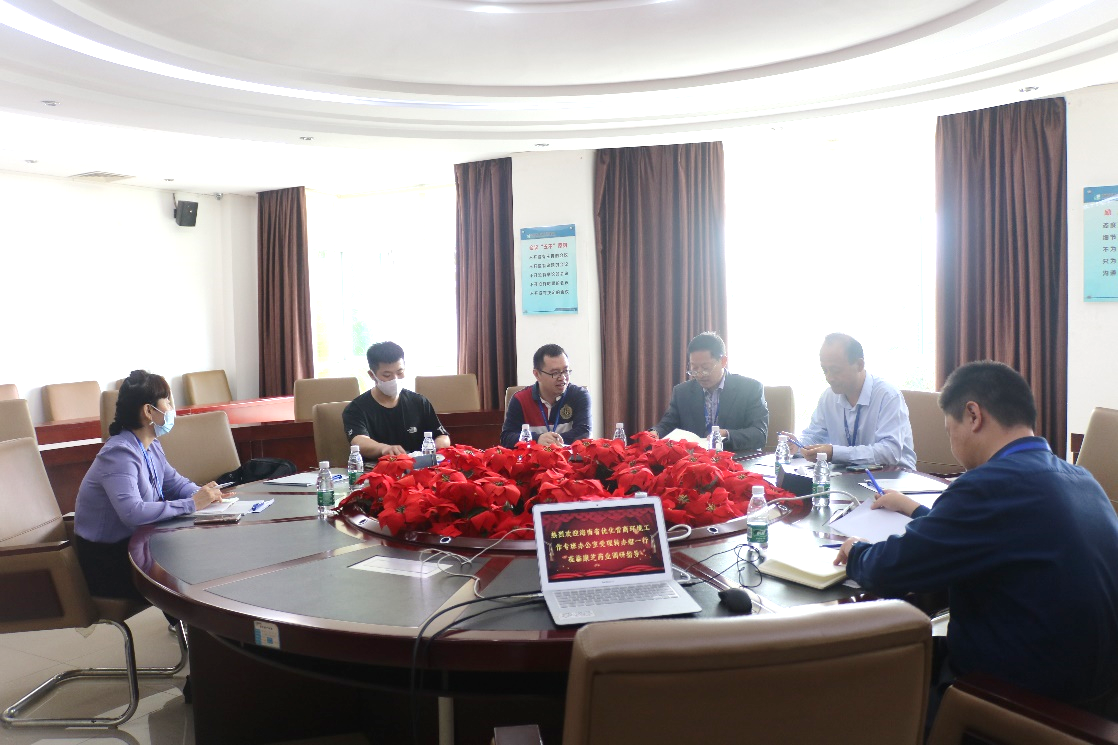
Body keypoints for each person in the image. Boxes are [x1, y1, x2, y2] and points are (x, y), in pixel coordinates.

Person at [835, 361, 1118, 717]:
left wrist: (857, 552)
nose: (952, 444)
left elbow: (892, 569)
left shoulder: (989, 485)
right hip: (1097, 701)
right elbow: (988, 534)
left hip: (1015, 706)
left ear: (973, 415)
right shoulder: (1082, 480)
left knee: (866, 684)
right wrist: (915, 510)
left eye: (949, 430)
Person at [74, 370, 223, 602]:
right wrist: (192, 504)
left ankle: (197, 619)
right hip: (109, 558)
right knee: (189, 564)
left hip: (139, 545)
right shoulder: (119, 453)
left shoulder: (151, 446)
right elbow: (132, 513)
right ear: (148, 411)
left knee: (199, 554)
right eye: (168, 402)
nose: (172, 408)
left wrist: (204, 494)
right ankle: (196, 619)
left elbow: (175, 483)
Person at [794, 333, 916, 470]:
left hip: (893, 476)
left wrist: (835, 453)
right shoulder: (828, 397)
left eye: (835, 370)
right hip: (848, 475)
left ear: (859, 365)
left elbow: (890, 452)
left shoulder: (888, 396)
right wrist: (797, 444)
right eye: (825, 370)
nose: (829, 378)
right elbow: (814, 436)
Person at [650, 332, 768, 452]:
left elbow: (759, 434)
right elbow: (668, 425)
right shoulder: (682, 392)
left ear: (723, 361)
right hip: (693, 459)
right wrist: (655, 433)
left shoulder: (750, 388)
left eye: (706, 368)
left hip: (736, 458)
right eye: (694, 368)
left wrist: (726, 434)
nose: (700, 374)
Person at [343, 341, 451, 459]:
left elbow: (442, 436)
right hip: (378, 468)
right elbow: (359, 441)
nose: (395, 379)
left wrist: (437, 446)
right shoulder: (356, 408)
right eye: (387, 375)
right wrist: (384, 449)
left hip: (418, 466)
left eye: (400, 372)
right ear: (372, 375)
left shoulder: (419, 402)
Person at [501, 344, 591, 447]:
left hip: (570, 457)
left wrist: (551, 441)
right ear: (537, 375)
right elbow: (506, 438)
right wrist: (537, 439)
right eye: (555, 373)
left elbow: (584, 433)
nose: (562, 378)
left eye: (566, 371)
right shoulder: (520, 399)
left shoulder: (579, 396)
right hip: (534, 457)